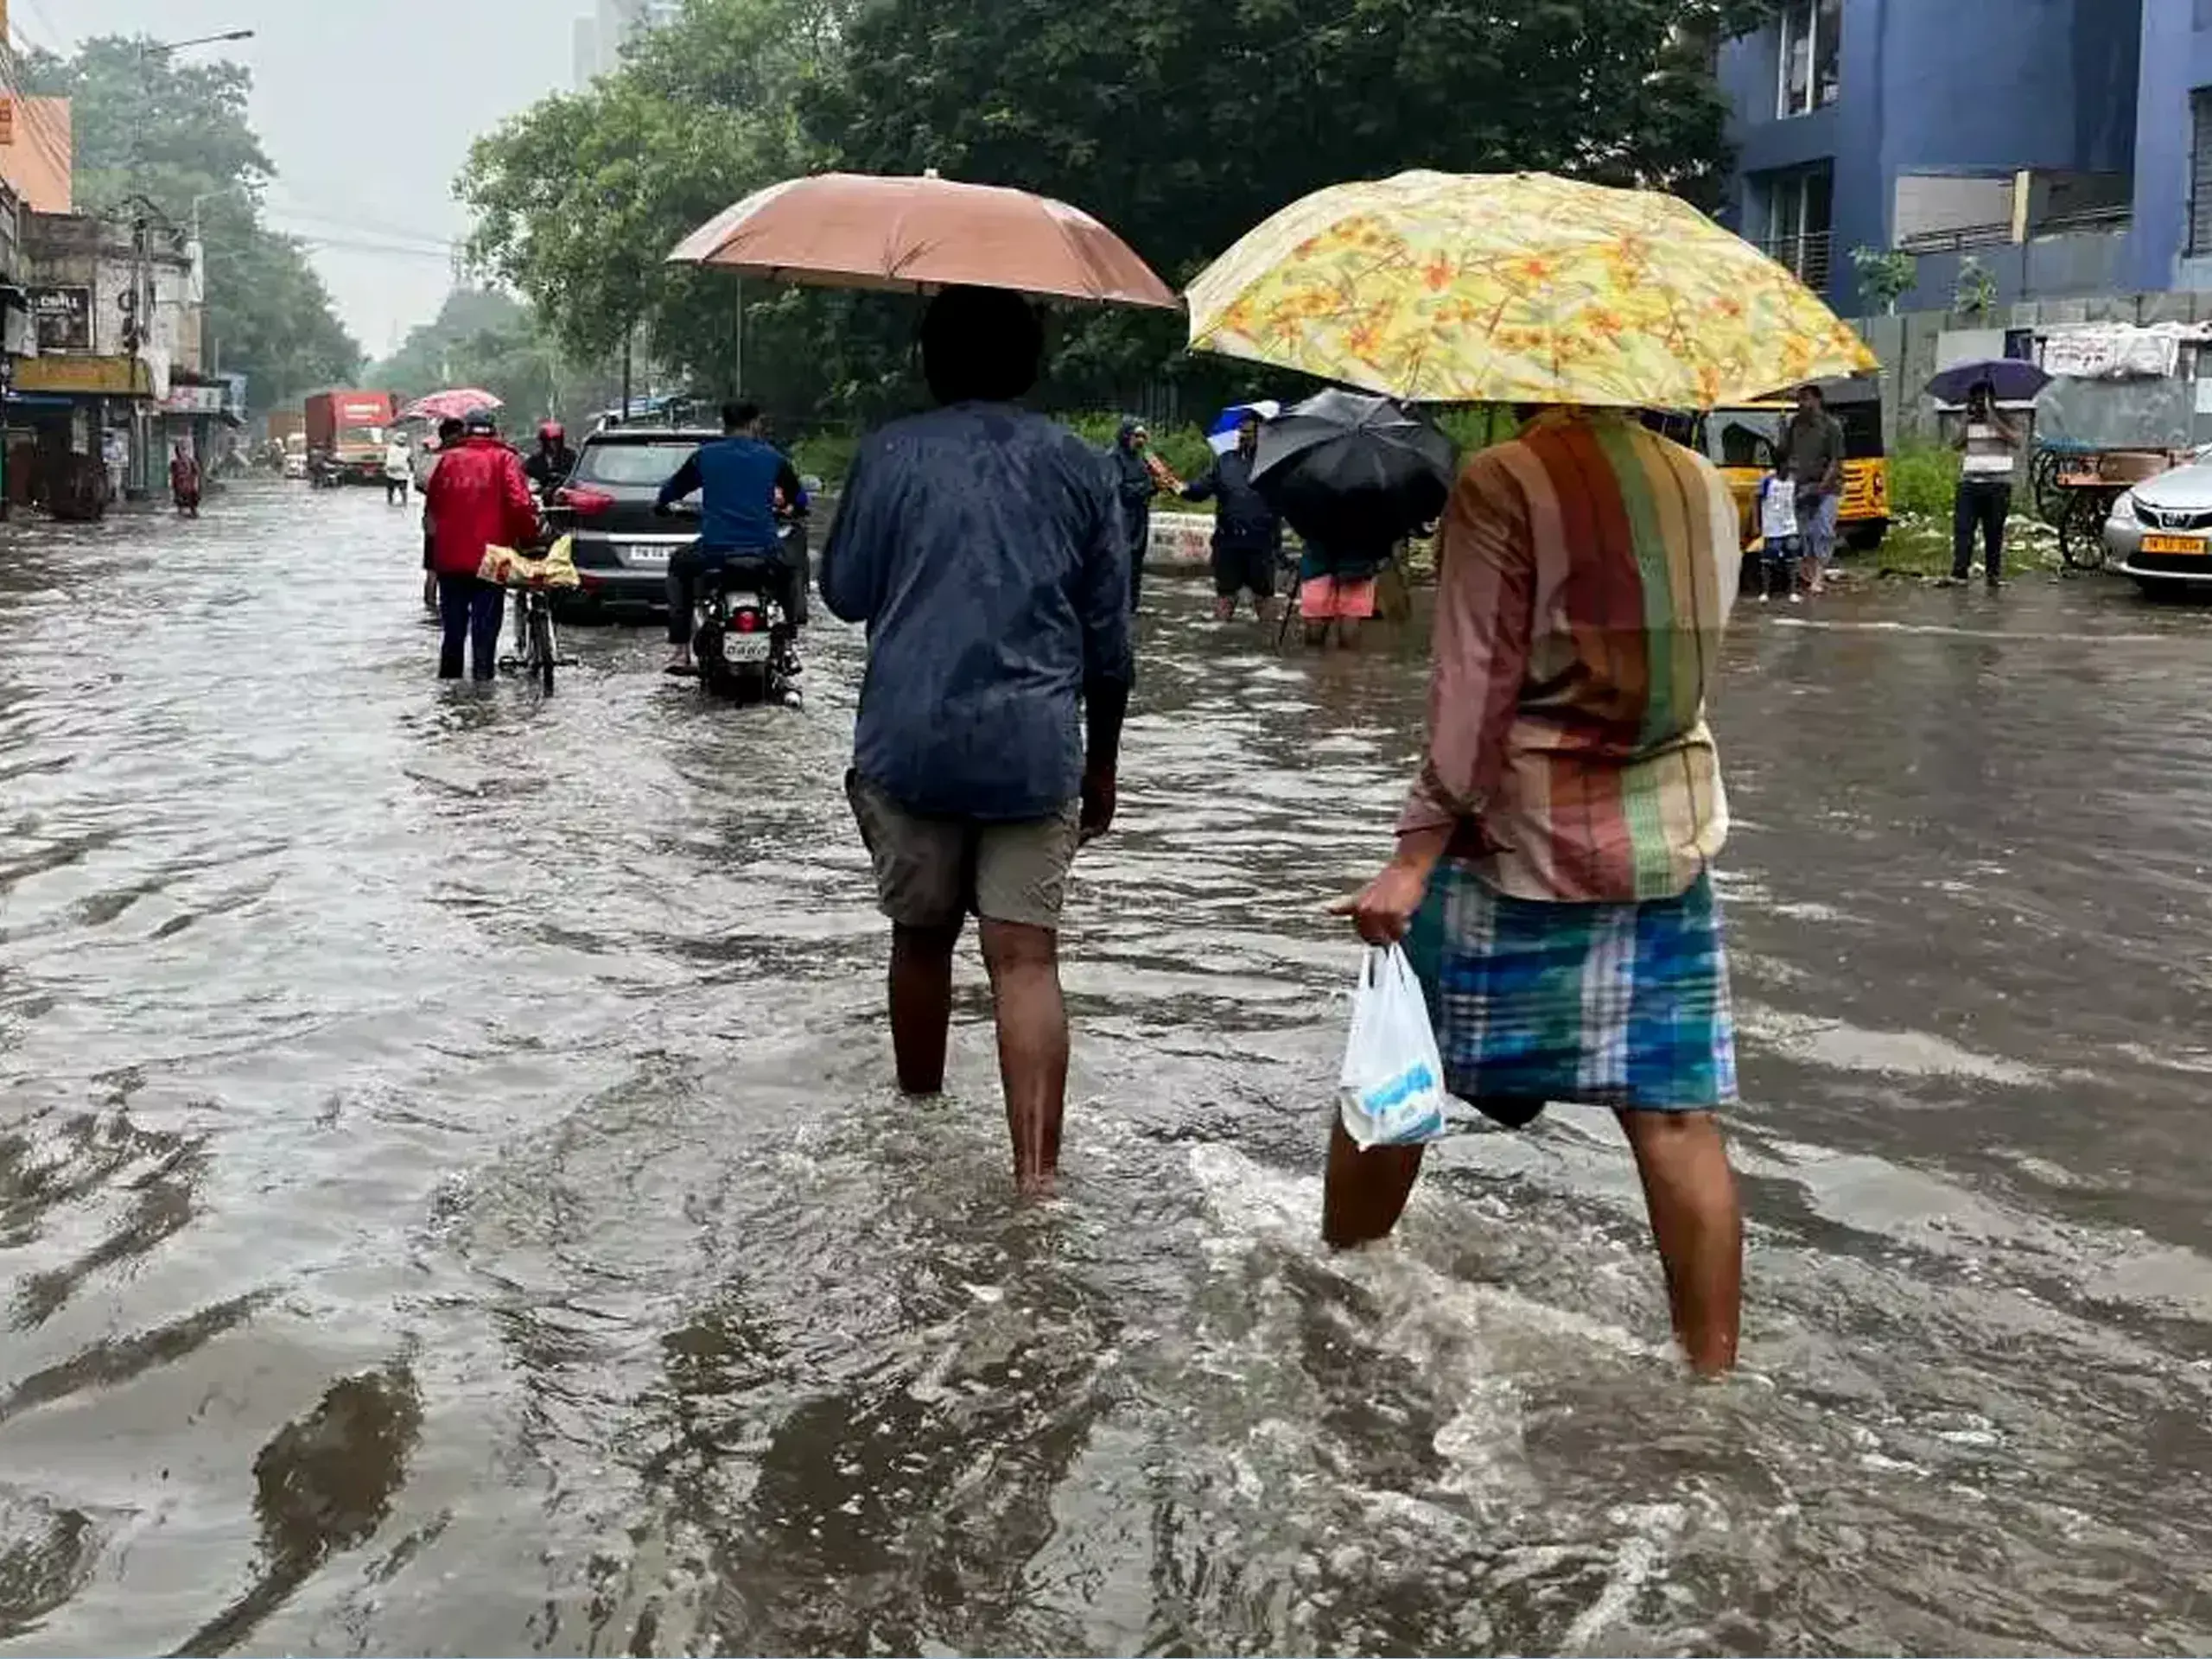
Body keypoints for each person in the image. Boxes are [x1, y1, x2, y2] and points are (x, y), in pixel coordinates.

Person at [1328, 406, 1745, 1377]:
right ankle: (1713, 1382)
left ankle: (1338, 1288)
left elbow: (1473, 684)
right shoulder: (1698, 481)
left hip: (1517, 842)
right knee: (1676, 1121)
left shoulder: (1502, 481)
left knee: (1395, 1085)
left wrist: (1413, 852)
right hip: (1665, 841)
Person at [820, 284, 1133, 1198]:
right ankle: (1036, 1180)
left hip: (909, 738)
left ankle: (917, 1125)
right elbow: (1109, 638)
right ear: (1032, 365)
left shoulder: (889, 454)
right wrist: (1104, 760)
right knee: (1027, 960)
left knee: (920, 941)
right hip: (1036, 746)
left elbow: (843, 592)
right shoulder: (1082, 467)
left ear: (931, 361)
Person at [654, 400, 808, 676]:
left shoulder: (705, 456)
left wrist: (662, 505)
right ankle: (790, 643)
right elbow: (799, 498)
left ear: (724, 426)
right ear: (754, 424)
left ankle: (680, 650)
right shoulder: (772, 457)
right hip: (765, 550)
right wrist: (793, 509)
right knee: (792, 567)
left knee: (678, 565)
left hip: (715, 551)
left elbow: (673, 489)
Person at [423, 408, 540, 682]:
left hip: (450, 556)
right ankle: (483, 692)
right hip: (494, 555)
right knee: (485, 628)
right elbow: (521, 505)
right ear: (493, 430)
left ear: (466, 430)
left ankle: (450, 692)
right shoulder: (505, 459)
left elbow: (433, 508)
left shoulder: (447, 459)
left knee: (453, 630)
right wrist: (529, 537)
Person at [1182, 412, 1282, 623]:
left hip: (1261, 543)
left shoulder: (1275, 464)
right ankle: (1219, 640)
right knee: (1225, 596)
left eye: (1249, 432)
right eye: (1241, 432)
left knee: (1264, 597)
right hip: (1227, 542)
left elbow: (1290, 499)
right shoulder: (1225, 461)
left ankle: (1269, 644)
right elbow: (1199, 491)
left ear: (1262, 434)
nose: (1243, 436)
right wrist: (1177, 487)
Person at [1950, 379, 2024, 589]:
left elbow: (2016, 441)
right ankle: (1959, 572)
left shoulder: (2005, 417)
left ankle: (1993, 574)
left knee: (1993, 532)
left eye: (1983, 399)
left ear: (1992, 399)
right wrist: (1965, 422)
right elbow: (1955, 444)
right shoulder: (1969, 420)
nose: (1979, 404)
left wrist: (1994, 419)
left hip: (1997, 485)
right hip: (1969, 483)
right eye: (1975, 399)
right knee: (1963, 529)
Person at [1781, 382, 1845, 596]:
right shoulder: (1794, 425)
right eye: (1799, 399)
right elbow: (1785, 454)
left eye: (1806, 398)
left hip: (1827, 488)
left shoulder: (1831, 426)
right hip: (1801, 486)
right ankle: (1808, 573)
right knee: (1803, 533)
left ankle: (1818, 576)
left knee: (1823, 531)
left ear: (1817, 400)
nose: (1801, 403)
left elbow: (1836, 461)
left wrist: (1821, 487)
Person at [1299, 533, 1390, 648]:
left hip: (1316, 564)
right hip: (1358, 566)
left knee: (1315, 622)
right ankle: (1346, 662)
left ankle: (1312, 660)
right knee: (1350, 620)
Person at [1109, 418, 1160, 608]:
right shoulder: (1113, 458)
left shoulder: (1142, 458)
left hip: (1140, 517)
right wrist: (1149, 486)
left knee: (1137, 563)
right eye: (1136, 435)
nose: (1140, 440)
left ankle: (1133, 606)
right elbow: (1120, 490)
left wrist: (1157, 485)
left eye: (1143, 436)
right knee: (1121, 563)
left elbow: (1146, 486)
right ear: (1125, 435)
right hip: (1121, 518)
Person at [418, 416, 464, 613]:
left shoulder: (433, 458)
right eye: (460, 435)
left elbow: (421, 484)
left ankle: (433, 611)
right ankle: (433, 608)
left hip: (439, 520)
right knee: (435, 570)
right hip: (441, 520)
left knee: (438, 569)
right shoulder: (444, 458)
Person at [1755, 457, 1800, 602]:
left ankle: (1793, 591)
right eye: (1789, 464)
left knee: (1792, 554)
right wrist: (1757, 523)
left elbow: (1795, 499)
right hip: (1772, 526)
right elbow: (1756, 499)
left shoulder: (1794, 480)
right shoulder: (1768, 480)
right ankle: (1765, 592)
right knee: (1769, 558)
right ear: (1781, 465)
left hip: (1789, 524)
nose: (1792, 467)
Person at [523, 421, 577, 499]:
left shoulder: (571, 456)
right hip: (542, 499)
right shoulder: (534, 461)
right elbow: (528, 480)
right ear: (544, 441)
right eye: (550, 440)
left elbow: (578, 478)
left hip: (566, 496)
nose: (554, 443)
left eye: (557, 440)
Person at [168, 439, 201, 518]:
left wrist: (195, 487)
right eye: (180, 450)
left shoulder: (191, 462)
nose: (182, 452)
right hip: (179, 489)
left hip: (190, 489)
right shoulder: (174, 463)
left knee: (193, 509)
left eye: (184, 449)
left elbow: (197, 474)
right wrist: (174, 488)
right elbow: (173, 476)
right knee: (181, 509)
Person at [384, 432, 413, 506]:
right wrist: (412, 470)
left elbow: (386, 458)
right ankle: (404, 502)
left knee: (390, 489)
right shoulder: (408, 450)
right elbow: (410, 460)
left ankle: (390, 502)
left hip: (391, 472)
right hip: (402, 473)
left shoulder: (390, 448)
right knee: (403, 489)